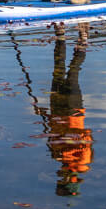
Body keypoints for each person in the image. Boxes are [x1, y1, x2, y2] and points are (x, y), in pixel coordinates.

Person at [34, 32, 94, 196]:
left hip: (57, 111)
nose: (61, 175)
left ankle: (60, 39)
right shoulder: (84, 162)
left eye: (60, 179)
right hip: (74, 111)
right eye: (63, 180)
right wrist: (64, 153)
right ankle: (81, 42)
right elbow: (84, 138)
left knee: (57, 70)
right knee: (73, 72)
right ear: (72, 180)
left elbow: (53, 133)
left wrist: (43, 113)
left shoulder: (57, 156)